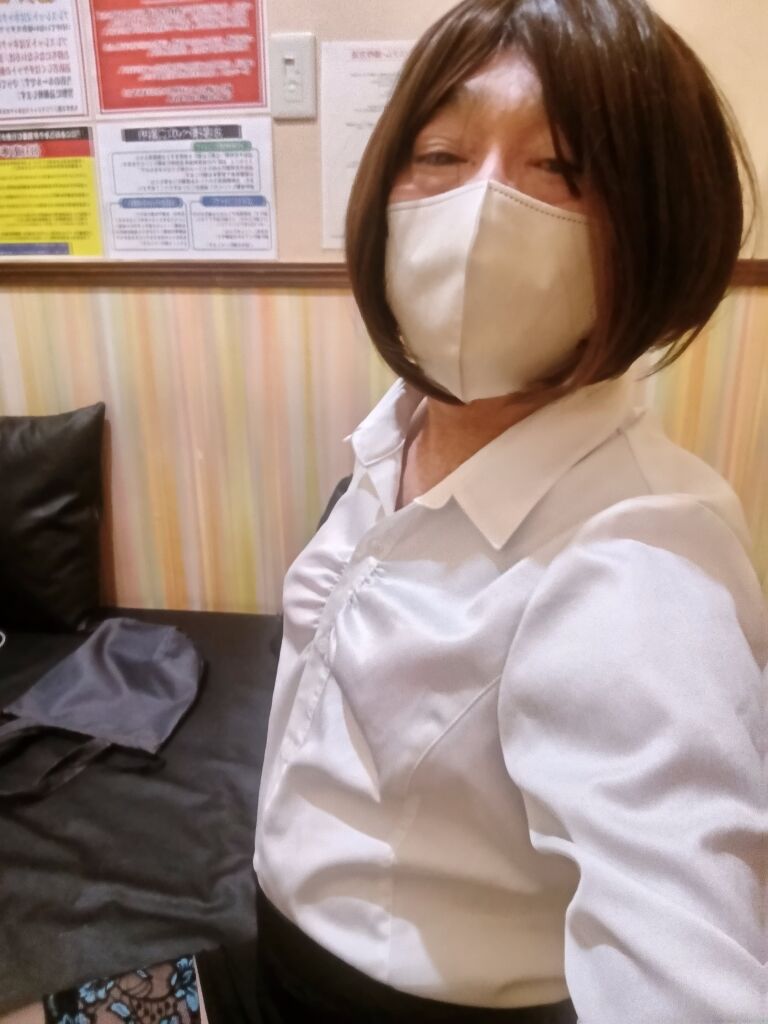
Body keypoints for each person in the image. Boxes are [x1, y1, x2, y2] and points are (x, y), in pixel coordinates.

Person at [4, 0, 766, 1022]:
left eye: (562, 169)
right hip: (270, 962)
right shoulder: (397, 435)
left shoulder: (638, 558)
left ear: (661, 226)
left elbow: (689, 962)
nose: (482, 209)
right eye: (441, 153)